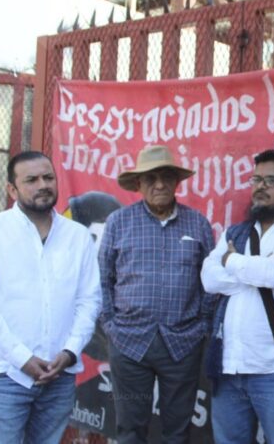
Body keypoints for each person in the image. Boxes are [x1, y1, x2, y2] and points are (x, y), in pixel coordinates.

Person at [0, 151, 101, 443]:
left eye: (48, 177)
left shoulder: (77, 236)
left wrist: (70, 352)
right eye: (31, 180)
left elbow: (89, 301)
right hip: (7, 376)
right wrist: (22, 358)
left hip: (59, 375)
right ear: (12, 189)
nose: (43, 185)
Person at [201, 149, 274, 444]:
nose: (260, 187)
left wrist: (231, 261)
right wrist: (252, 271)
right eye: (256, 179)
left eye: (270, 180)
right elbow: (208, 278)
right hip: (229, 365)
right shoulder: (236, 233)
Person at [98, 145, 215, 443]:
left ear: (177, 182)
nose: (159, 184)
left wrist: (200, 325)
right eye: (150, 178)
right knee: (130, 430)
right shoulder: (118, 223)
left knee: (178, 431)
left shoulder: (198, 223)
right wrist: (112, 326)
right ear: (138, 184)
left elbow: (211, 281)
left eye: (166, 177)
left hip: (182, 343)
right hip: (129, 344)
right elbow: (103, 279)